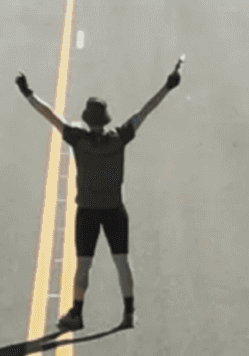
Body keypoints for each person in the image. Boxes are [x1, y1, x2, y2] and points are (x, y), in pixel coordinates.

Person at [15, 60, 183, 331]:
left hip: (88, 211)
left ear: (87, 120)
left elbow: (49, 114)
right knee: (122, 261)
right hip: (115, 209)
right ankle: (129, 313)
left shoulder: (77, 139)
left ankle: (77, 314)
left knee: (83, 265)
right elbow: (145, 111)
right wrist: (168, 86)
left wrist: (28, 93)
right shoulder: (119, 137)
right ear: (106, 119)